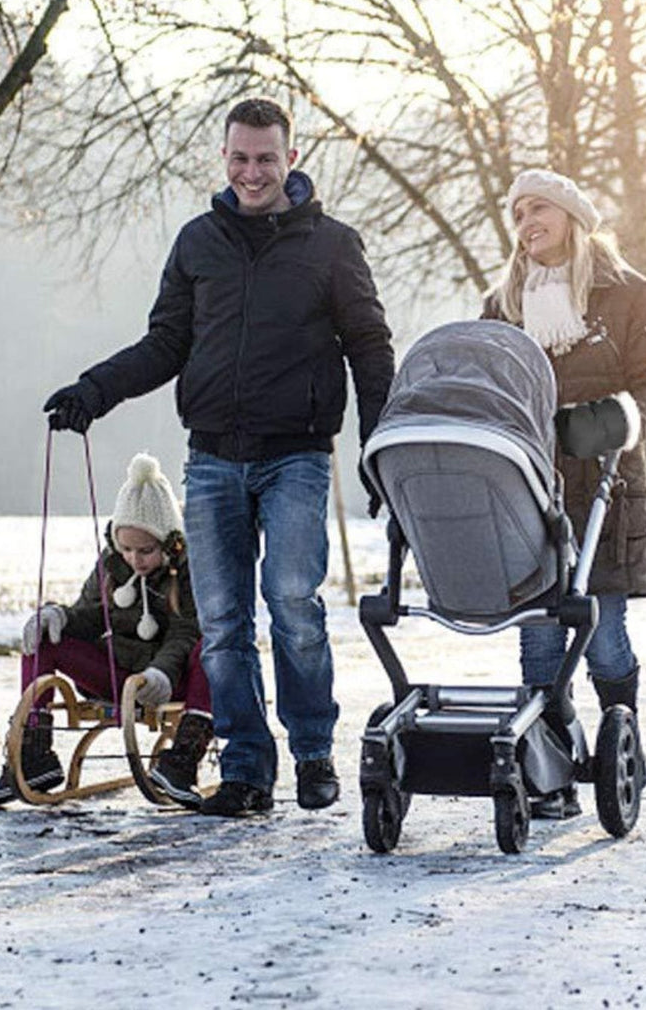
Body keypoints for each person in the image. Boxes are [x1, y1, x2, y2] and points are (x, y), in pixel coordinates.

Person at [43, 97, 395, 817]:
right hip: (211, 460)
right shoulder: (198, 243)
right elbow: (165, 345)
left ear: (291, 160)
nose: (252, 171)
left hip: (296, 455)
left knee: (293, 603)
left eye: (266, 158)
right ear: (224, 159)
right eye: (239, 158)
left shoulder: (332, 245)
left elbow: (369, 349)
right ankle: (244, 767)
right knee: (225, 623)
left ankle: (312, 750)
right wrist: (93, 391)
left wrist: (380, 446)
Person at [483, 168, 646, 819]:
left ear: (571, 215)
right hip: (527, 493)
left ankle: (621, 736)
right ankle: (550, 772)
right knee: (540, 642)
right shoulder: (502, 305)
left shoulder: (627, 296)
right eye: (518, 214)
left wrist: (600, 424)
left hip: (605, 490)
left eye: (539, 209)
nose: (527, 223)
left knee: (603, 638)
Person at [0, 453, 214, 808]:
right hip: (117, 677)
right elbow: (92, 615)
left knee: (211, 646)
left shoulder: (186, 570)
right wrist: (60, 616)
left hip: (167, 678)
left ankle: (181, 760)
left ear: (168, 542)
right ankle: (35, 755)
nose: (135, 559)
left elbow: (185, 632)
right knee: (44, 638)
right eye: (127, 548)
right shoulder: (111, 565)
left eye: (146, 550)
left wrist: (159, 673)